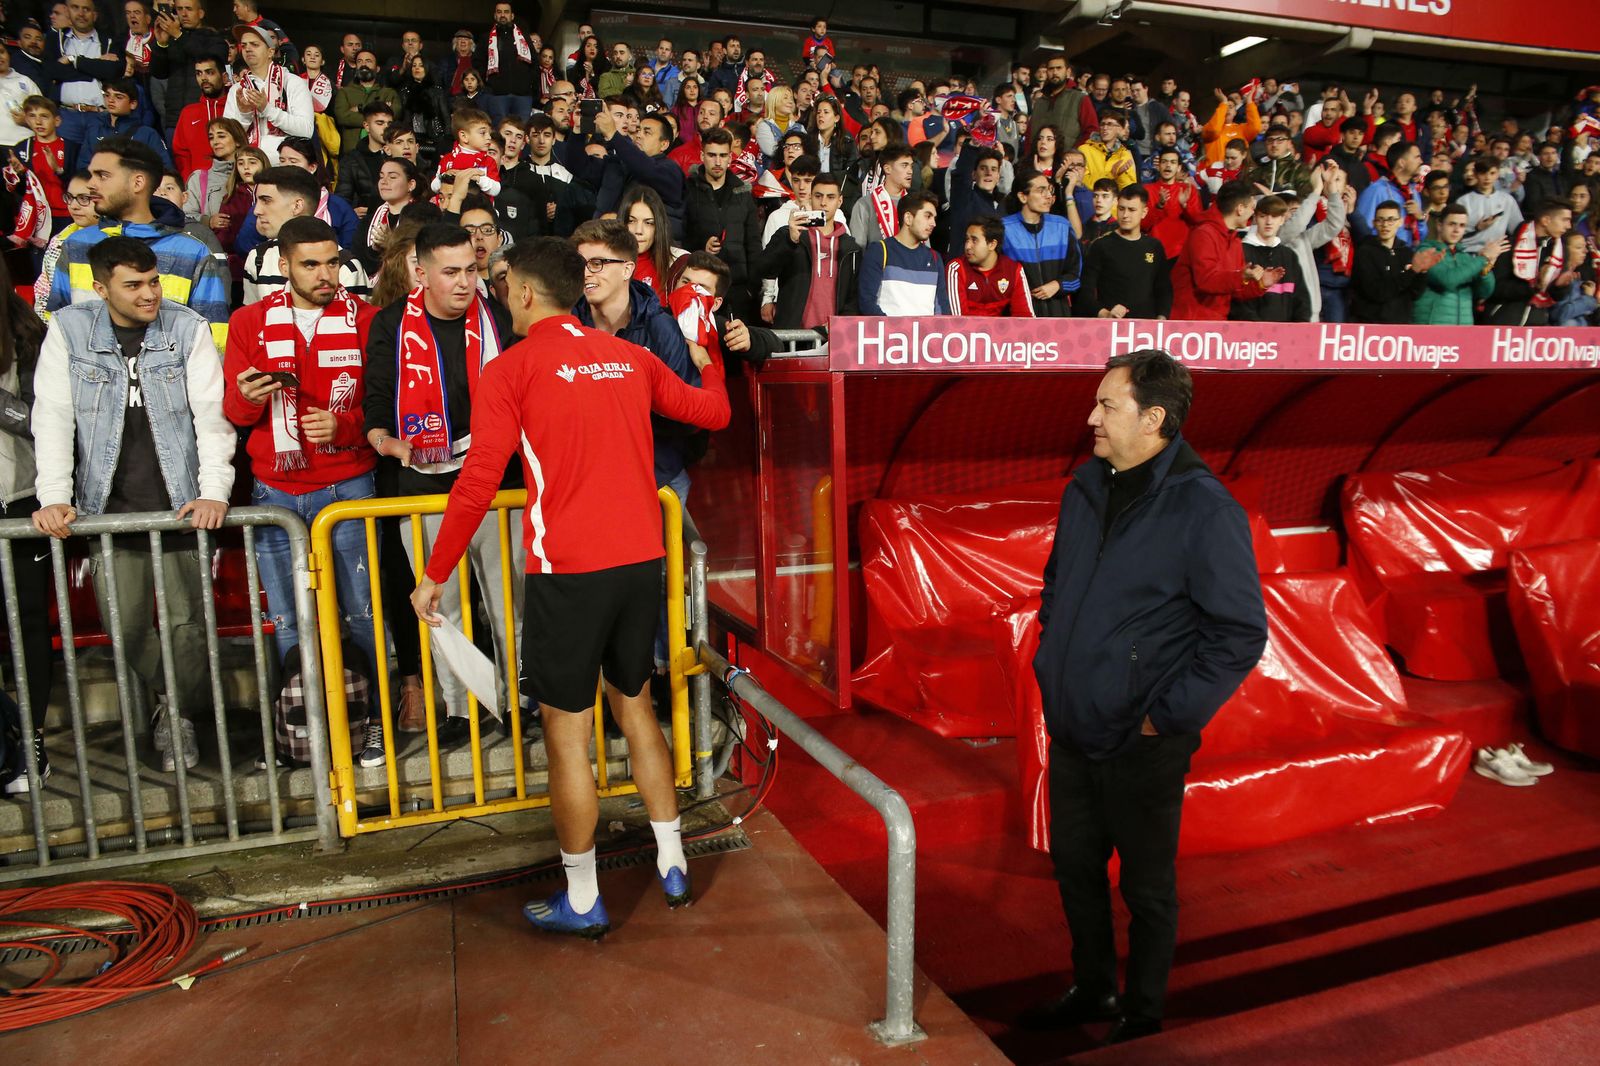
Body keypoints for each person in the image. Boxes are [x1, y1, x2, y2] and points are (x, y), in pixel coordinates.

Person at [409, 236, 728, 936]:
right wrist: (709, 361)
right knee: (636, 706)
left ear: (525, 292)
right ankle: (673, 861)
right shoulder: (631, 356)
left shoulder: (511, 370)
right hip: (644, 559)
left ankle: (583, 898)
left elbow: (477, 482)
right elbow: (713, 414)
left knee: (567, 735)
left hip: (571, 571)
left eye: (502, 285)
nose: (497, 295)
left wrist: (435, 574)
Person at [1024, 349, 1267, 1046]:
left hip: (1143, 739)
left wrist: (1167, 718)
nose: (1090, 418)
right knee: (1074, 869)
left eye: (1107, 406)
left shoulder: (1203, 507)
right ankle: (1094, 988)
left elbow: (1239, 631)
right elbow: (1057, 587)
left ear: (1154, 418)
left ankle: (1143, 1013)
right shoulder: (1085, 486)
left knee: (1146, 889)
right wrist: (1052, 661)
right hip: (1073, 727)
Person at [32, 235, 237, 773]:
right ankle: (169, 697)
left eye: (153, 282)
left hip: (178, 502)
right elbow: (52, 415)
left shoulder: (186, 326)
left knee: (187, 626)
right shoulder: (69, 331)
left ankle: (176, 713)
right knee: (123, 628)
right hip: (105, 507)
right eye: (134, 285)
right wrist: (54, 495)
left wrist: (214, 489)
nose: (149, 294)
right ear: (101, 288)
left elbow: (210, 416)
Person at [222, 215, 383, 765]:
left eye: (332, 261)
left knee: (362, 612)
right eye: (311, 264)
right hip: (277, 487)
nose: (325, 274)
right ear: (284, 265)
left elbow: (388, 409)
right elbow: (235, 412)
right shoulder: (248, 323)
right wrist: (246, 399)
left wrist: (347, 426)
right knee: (290, 619)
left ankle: (373, 723)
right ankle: (302, 731)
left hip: (349, 480)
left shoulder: (367, 319)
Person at [362, 221, 520, 742]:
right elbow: (377, 401)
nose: (464, 282)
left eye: (471, 271)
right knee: (441, 607)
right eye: (450, 272)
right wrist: (385, 440)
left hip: (498, 478)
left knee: (508, 602)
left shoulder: (496, 315)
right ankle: (460, 709)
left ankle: (522, 701)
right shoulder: (389, 323)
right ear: (421, 273)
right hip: (421, 481)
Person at [46, 137, 230, 349]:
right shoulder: (76, 245)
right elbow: (57, 330)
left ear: (138, 182)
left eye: (102, 175)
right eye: (91, 175)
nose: (91, 184)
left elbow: (212, 341)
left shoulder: (194, 252)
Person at [0, 255, 52, 794]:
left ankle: (32, 743)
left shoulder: (25, 331)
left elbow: (46, 421)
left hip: (18, 499)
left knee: (28, 626)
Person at [241, 164, 369, 303]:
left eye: (266, 201)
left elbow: (353, 322)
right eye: (257, 201)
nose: (256, 211)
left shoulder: (345, 266)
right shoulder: (258, 258)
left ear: (297, 206)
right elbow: (251, 320)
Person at [755, 171, 859, 329]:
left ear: (840, 201)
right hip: (793, 336)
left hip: (833, 336)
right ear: (810, 197)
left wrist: (841, 325)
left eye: (830, 197)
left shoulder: (850, 246)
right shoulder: (788, 234)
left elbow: (852, 297)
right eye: (818, 196)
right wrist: (789, 241)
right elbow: (763, 269)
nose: (823, 203)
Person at [1169, 179, 1280, 321]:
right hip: (1190, 323)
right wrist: (1241, 276)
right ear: (1240, 209)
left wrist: (1260, 284)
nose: (1253, 212)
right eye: (1252, 207)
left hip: (1216, 324)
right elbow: (1206, 281)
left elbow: (1234, 289)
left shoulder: (1234, 240)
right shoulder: (1203, 234)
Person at [684, 127, 759, 319]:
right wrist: (702, 249)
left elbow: (753, 244)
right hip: (699, 286)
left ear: (730, 158)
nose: (718, 162)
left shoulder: (743, 193)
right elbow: (680, 237)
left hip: (739, 292)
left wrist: (752, 289)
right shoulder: (687, 189)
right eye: (712, 155)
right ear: (702, 155)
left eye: (723, 155)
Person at [223, 22, 312, 165]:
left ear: (271, 52)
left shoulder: (293, 83)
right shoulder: (237, 89)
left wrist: (267, 109)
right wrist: (245, 115)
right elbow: (228, 139)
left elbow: (306, 130)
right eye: (244, 45)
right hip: (248, 169)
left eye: (254, 44)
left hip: (284, 168)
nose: (248, 49)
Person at [1078, 186, 1171, 320]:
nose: (1125, 215)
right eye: (1121, 209)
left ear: (1144, 212)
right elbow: (1085, 292)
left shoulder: (1154, 247)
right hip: (1110, 330)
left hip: (1147, 332)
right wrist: (1105, 313)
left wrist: (1162, 319)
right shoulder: (1101, 246)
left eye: (1132, 210)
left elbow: (1164, 289)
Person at [1002, 170, 1082, 317]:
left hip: (1058, 318)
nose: (1048, 196)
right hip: (1018, 319)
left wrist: (1058, 285)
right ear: (1022, 196)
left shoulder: (1062, 227)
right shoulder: (1004, 230)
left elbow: (1076, 274)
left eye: (1049, 190)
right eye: (1041, 190)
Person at [148, 0, 228, 144]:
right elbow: (158, 72)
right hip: (173, 119)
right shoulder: (172, 38)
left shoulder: (214, 38)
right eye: (179, 9)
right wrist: (161, 44)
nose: (183, 14)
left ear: (201, 13)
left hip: (204, 117)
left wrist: (178, 35)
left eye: (189, 9)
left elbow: (213, 60)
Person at [858, 190, 949, 317]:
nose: (933, 223)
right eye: (927, 216)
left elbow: (942, 309)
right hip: (888, 335)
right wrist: (895, 331)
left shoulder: (935, 258)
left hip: (925, 336)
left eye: (934, 218)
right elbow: (867, 302)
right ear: (908, 218)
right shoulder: (879, 251)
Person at [1484, 198, 1574, 326]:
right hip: (1503, 323)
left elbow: (1556, 297)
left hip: (1536, 328)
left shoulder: (1559, 251)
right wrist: (1532, 286)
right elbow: (1495, 289)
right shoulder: (1509, 246)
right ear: (1545, 220)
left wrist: (1560, 287)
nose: (1569, 226)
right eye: (1565, 220)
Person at [1411, 203, 1504, 325]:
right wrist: (1482, 259)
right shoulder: (1426, 252)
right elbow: (1448, 280)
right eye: (1452, 224)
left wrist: (1486, 267)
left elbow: (1484, 293)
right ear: (1439, 225)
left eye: (1461, 225)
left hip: (1462, 330)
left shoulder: (1465, 258)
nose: (1456, 230)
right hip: (1432, 329)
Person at [1350, 200, 1437, 323]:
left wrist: (1422, 271)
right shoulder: (1364, 252)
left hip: (1400, 327)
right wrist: (1412, 272)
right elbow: (1377, 292)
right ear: (1374, 223)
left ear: (1400, 222)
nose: (1385, 225)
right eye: (1380, 220)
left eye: (1391, 220)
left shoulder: (1406, 252)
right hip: (1370, 326)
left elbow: (1415, 294)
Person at [1231, 194, 1310, 322]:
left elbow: (1302, 298)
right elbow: (1237, 299)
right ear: (1255, 218)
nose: (1268, 222)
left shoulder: (1289, 256)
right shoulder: (1240, 251)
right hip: (1250, 336)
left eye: (1274, 216)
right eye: (1263, 216)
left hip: (1288, 336)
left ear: (1282, 219)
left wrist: (1299, 327)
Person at [945, 213, 1033, 317]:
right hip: (967, 332)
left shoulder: (1014, 270)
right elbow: (958, 321)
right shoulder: (956, 269)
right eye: (967, 239)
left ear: (992, 244)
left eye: (974, 240)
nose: (967, 246)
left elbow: (1025, 318)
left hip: (1000, 332)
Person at [170, 54, 230, 182]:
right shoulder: (188, 113)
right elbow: (181, 153)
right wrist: (189, 182)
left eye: (210, 72)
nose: (203, 78)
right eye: (199, 73)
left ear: (224, 77)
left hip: (234, 183)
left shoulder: (237, 108)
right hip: (198, 186)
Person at [1354, 140, 1427, 243]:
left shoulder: (1413, 192)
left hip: (1408, 255)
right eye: (1417, 157)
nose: (1421, 161)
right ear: (1402, 163)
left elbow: (1422, 237)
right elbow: (1363, 230)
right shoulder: (1377, 191)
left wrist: (1420, 217)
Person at [330, 51, 397, 158]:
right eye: (359, 61)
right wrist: (378, 114)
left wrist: (358, 109)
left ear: (377, 68)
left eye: (368, 61)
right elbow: (342, 117)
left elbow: (394, 115)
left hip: (383, 152)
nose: (363, 64)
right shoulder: (344, 92)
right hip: (351, 153)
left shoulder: (389, 93)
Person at [848, 142, 913, 250]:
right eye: (904, 165)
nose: (910, 171)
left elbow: (925, 248)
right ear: (887, 169)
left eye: (911, 166)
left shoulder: (916, 204)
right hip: (878, 266)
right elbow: (857, 251)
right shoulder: (864, 205)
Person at [333, 100, 394, 213]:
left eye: (389, 124)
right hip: (365, 222)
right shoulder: (351, 160)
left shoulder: (400, 155)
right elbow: (342, 198)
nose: (386, 128)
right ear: (366, 126)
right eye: (380, 123)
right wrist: (351, 214)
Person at [1457, 155, 1523, 255]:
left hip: (1498, 252)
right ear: (1475, 174)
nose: (1487, 178)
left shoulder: (1507, 200)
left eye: (1492, 173)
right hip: (1469, 252)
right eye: (1483, 173)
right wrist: (1476, 228)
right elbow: (1454, 231)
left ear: (1498, 174)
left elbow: (1518, 228)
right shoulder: (1463, 201)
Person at [433, 107, 502, 200]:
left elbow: (496, 190)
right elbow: (434, 187)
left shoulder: (488, 161)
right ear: (464, 136)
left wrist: (479, 179)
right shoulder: (447, 159)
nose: (489, 137)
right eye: (483, 133)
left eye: (489, 133)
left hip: (478, 211)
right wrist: (444, 176)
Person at [1031, 54, 1094, 149]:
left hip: (1068, 161)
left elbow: (1092, 132)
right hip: (1039, 161)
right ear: (1047, 72)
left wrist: (1074, 153)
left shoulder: (1080, 98)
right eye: (1051, 69)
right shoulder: (1039, 102)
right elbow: (1030, 136)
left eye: (1059, 68)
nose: (1055, 72)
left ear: (1068, 72)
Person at [1079, 112, 1137, 191]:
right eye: (1102, 124)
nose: (1105, 128)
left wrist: (1120, 175)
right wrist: (1110, 175)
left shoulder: (1125, 154)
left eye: (1110, 124)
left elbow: (1129, 189)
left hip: (1114, 202)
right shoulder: (1084, 150)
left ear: (1119, 129)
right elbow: (1082, 181)